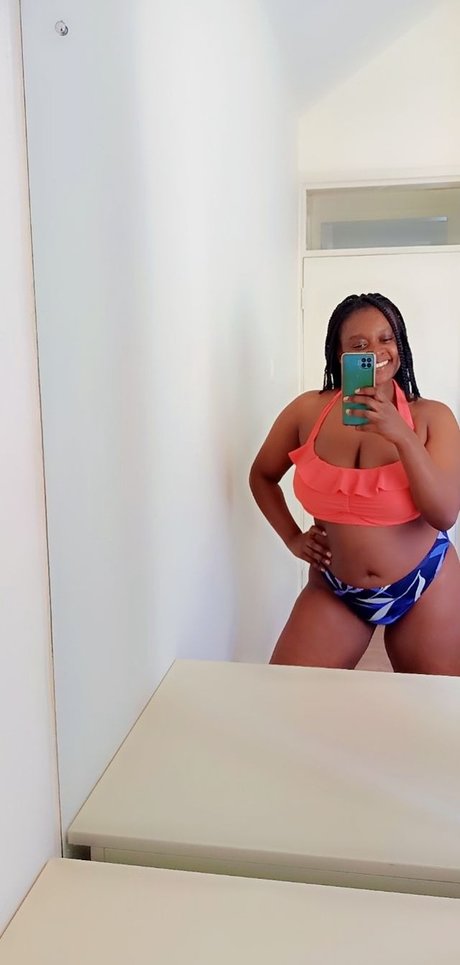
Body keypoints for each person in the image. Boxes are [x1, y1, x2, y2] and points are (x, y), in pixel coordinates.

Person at [249, 292, 460, 674]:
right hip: (334, 588)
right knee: (285, 693)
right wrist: (292, 538)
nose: (376, 352)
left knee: (432, 702)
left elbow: (444, 515)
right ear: (339, 353)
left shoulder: (433, 417)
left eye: (386, 339)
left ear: (400, 345)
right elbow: (262, 475)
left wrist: (402, 436)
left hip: (425, 583)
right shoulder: (305, 411)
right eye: (359, 345)